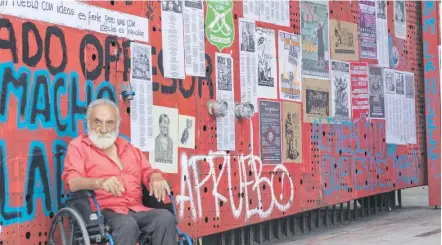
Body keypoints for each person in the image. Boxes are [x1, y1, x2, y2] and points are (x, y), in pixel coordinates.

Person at [62, 98, 176, 245]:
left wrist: (155, 176)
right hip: (101, 212)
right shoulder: (78, 147)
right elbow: (73, 182)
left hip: (135, 209)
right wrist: (99, 183)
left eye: (109, 123)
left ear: (117, 124)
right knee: (127, 225)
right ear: (88, 123)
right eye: (97, 122)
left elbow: (147, 170)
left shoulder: (129, 148)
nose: (103, 129)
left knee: (165, 218)